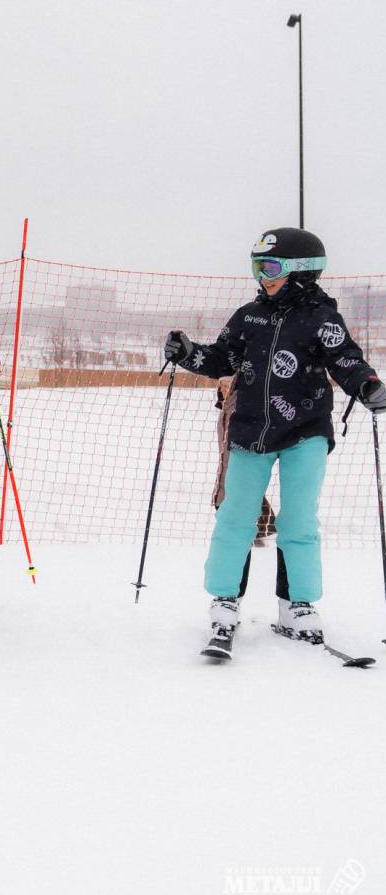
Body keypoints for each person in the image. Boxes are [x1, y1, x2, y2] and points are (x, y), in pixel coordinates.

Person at [165, 227, 386, 652]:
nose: (260, 277)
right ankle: (225, 601)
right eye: (257, 267)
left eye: (268, 267)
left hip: (305, 433)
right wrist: (188, 352)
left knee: (299, 522)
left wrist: (368, 386)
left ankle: (296, 605)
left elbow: (346, 360)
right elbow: (221, 359)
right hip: (251, 430)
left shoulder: (322, 318)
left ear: (302, 273)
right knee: (235, 518)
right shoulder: (249, 315)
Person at [212, 376, 287, 598]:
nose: (223, 389)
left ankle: (262, 524)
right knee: (239, 482)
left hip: (245, 418)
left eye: (225, 387)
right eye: (221, 387)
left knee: (237, 484)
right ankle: (264, 524)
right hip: (239, 413)